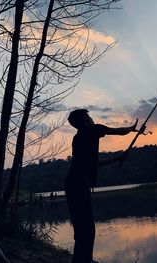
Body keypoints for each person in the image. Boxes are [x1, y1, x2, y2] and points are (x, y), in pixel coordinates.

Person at [65, 109, 138, 263]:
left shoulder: (78, 138)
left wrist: (115, 158)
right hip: (79, 184)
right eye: (89, 116)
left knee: (81, 227)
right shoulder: (92, 129)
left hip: (72, 183)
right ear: (85, 119)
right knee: (88, 229)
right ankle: (84, 260)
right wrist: (131, 129)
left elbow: (92, 164)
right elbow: (118, 131)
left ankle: (81, 260)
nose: (91, 118)